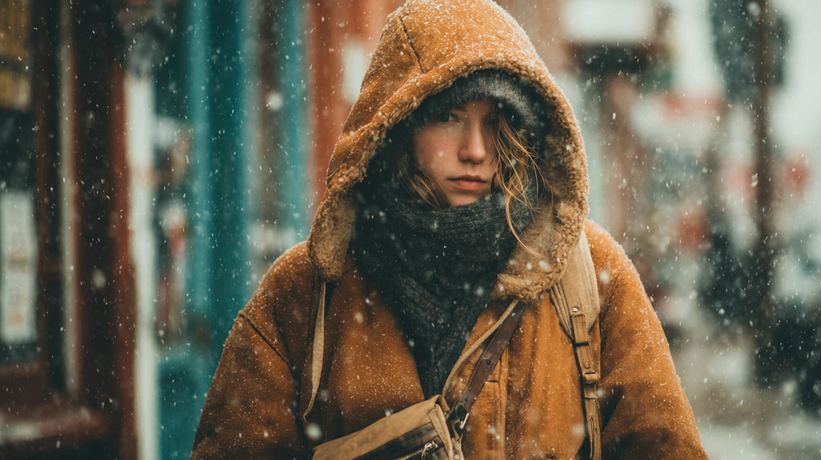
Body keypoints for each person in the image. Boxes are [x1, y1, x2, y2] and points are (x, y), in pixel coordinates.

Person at [190, 0, 708, 458]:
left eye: (494, 122)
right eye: (450, 117)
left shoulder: (592, 274)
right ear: (398, 126)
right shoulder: (307, 291)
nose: (476, 150)